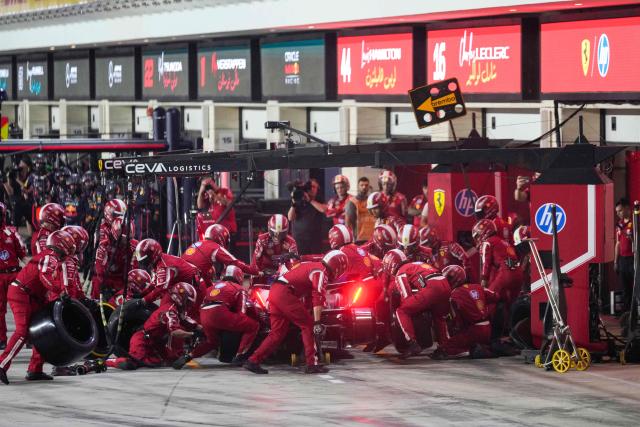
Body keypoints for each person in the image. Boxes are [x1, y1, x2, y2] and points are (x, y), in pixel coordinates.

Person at [245, 250, 348, 374]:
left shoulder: (313, 266)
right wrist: (317, 322)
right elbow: (318, 296)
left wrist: (311, 314)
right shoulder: (321, 272)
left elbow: (310, 299)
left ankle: (253, 360)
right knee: (309, 326)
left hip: (275, 291)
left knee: (276, 334)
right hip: (285, 293)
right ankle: (311, 364)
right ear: (338, 267)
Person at [0, 229, 76, 384]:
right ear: (62, 245)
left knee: (42, 331)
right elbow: (44, 276)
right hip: (22, 294)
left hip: (31, 295)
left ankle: (35, 368)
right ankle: (1, 364)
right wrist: (59, 291)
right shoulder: (50, 256)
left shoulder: (49, 255)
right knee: (22, 332)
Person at [108, 282, 207, 370]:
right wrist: (193, 334)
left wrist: (205, 330)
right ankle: (107, 361)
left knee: (167, 362)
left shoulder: (176, 309)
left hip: (155, 343)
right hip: (142, 340)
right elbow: (175, 332)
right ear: (180, 298)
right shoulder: (170, 311)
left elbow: (188, 321)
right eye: (188, 302)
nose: (189, 305)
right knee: (131, 364)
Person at [383, 249, 451, 359]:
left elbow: (406, 295)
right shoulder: (418, 264)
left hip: (432, 287)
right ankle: (444, 348)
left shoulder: (401, 271)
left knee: (402, 311)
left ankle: (412, 343)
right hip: (445, 284)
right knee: (439, 317)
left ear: (391, 263)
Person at [196, 265, 259, 368]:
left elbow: (201, 304)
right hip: (220, 313)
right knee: (253, 325)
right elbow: (242, 311)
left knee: (212, 342)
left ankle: (188, 356)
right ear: (239, 277)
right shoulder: (239, 288)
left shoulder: (212, 287)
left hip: (204, 315)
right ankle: (239, 356)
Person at [435, 265, 499, 359]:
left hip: (473, 330)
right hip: (489, 328)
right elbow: (496, 296)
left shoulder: (454, 295)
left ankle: (471, 351)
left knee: (445, 348)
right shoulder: (478, 287)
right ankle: (484, 347)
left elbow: (457, 322)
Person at [135, 238, 203, 307]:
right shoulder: (160, 261)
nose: (144, 264)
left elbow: (160, 290)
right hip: (186, 286)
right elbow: (155, 283)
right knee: (166, 303)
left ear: (153, 255)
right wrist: (142, 294)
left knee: (166, 307)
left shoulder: (165, 266)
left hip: (195, 288)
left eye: (145, 260)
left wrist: (142, 301)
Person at [182, 223, 258, 284]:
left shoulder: (197, 243)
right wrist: (255, 271)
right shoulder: (215, 247)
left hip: (182, 273)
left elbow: (200, 269)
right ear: (221, 236)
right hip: (191, 278)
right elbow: (235, 263)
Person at [472, 219, 523, 310]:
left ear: (484, 232)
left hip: (506, 274)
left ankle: (491, 323)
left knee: (488, 297)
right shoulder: (503, 242)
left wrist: (483, 282)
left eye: (478, 236)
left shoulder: (487, 242)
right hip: (518, 273)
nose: (477, 239)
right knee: (511, 305)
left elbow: (486, 264)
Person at [0, 202, 27, 350]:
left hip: (13, 274)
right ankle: (1, 339)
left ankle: (27, 335)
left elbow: (23, 254)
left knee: (22, 307)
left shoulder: (11, 232)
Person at [91, 217, 137, 299]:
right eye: (124, 239)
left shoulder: (134, 246)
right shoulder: (104, 246)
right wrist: (105, 287)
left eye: (128, 239)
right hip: (106, 278)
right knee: (96, 281)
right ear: (116, 234)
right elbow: (99, 270)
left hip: (122, 280)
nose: (126, 241)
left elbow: (134, 269)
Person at [288, 178, 327, 255]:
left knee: (315, 264)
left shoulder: (319, 199)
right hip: (299, 240)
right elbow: (290, 217)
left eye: (314, 187)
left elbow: (324, 209)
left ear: (317, 189)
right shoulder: (298, 199)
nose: (311, 189)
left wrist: (310, 200)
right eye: (310, 187)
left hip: (315, 240)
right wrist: (294, 203)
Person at [614, 198, 634, 311]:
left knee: (636, 288)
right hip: (622, 261)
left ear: (627, 208)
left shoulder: (635, 221)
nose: (618, 214)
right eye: (617, 212)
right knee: (625, 290)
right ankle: (627, 316)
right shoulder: (619, 225)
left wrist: (632, 238)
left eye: (620, 210)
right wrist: (616, 262)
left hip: (633, 259)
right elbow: (617, 243)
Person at [345, 177, 375, 243]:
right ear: (358, 186)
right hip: (359, 239)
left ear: (368, 186)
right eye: (362, 185)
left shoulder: (372, 201)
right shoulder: (352, 202)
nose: (364, 187)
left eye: (366, 185)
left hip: (372, 238)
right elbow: (347, 223)